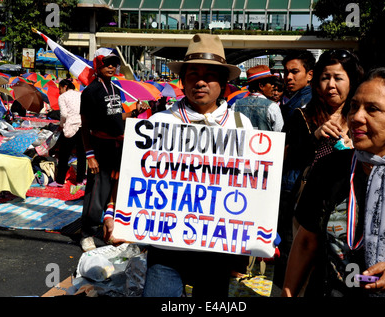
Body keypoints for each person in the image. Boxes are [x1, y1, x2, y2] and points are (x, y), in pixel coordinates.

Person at [281, 67, 385, 297]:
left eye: (372, 109)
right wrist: (288, 293)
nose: (356, 117)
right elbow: (306, 242)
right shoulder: (330, 167)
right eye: (354, 106)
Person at [137, 33, 253, 297]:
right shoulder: (158, 123)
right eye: (193, 74)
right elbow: (138, 176)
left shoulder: (240, 125)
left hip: (216, 247)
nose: (201, 81)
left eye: (210, 75)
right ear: (182, 80)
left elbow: (249, 185)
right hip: (166, 247)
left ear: (224, 83)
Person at [275, 49, 364, 289]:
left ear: (352, 81)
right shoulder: (302, 115)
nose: (331, 85)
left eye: (338, 78)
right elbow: (283, 158)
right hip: (306, 206)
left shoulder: (361, 116)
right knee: (301, 265)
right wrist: (314, 137)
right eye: (325, 78)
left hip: (351, 209)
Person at [79, 48, 149, 252]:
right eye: (107, 62)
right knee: (97, 192)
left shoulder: (116, 89)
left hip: (117, 146)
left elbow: (118, 120)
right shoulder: (90, 92)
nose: (111, 66)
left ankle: (108, 229)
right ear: (98, 64)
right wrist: (89, 155)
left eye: (114, 63)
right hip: (99, 147)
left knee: (114, 190)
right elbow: (85, 125)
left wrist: (134, 111)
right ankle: (86, 233)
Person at [48, 79, 86, 189]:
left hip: (70, 126)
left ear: (65, 87)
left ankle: (60, 180)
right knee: (81, 154)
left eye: (59, 88)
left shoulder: (63, 97)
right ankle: (80, 180)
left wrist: (61, 124)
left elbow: (64, 114)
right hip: (82, 126)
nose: (59, 91)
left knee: (64, 154)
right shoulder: (80, 95)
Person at [232, 64, 284, 131]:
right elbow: (279, 134)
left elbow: (235, 129)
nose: (273, 87)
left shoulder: (235, 106)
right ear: (261, 86)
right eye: (271, 83)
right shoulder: (272, 107)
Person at [281, 50, 315, 125]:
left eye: (295, 72)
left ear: (310, 75)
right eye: (286, 72)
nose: (288, 77)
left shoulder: (309, 103)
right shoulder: (295, 98)